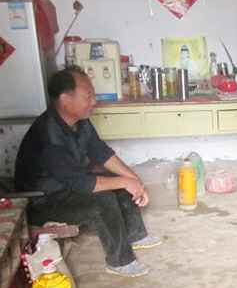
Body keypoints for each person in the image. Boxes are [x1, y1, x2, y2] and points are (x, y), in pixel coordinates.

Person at [15, 66, 161, 277]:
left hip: (67, 187)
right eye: (88, 96)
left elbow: (102, 153)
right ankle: (120, 262)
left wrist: (134, 180)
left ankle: (135, 235)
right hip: (43, 202)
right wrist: (125, 182)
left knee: (120, 181)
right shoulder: (47, 136)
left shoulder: (79, 121)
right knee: (103, 201)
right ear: (65, 99)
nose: (94, 101)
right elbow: (81, 183)